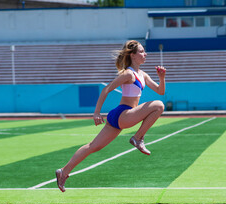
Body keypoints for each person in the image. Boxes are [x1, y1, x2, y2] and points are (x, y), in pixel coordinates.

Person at [55, 40, 166, 192]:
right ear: (133, 55)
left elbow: (160, 90)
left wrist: (161, 77)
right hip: (123, 113)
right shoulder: (128, 73)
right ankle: (138, 138)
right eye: (141, 52)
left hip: (122, 116)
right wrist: (96, 113)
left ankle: (63, 171)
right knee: (159, 105)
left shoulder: (143, 75)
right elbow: (106, 90)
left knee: (93, 146)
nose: (145, 54)